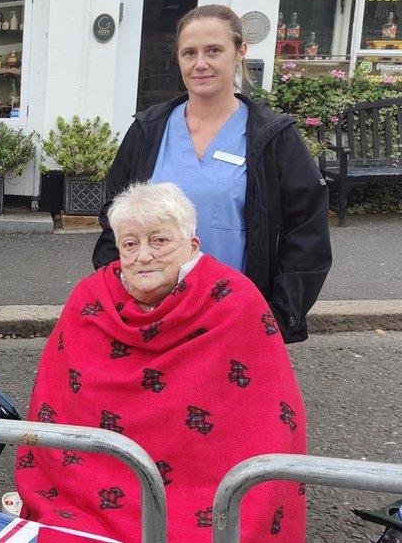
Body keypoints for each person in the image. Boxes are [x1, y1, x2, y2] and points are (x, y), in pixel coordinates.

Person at [16, 182, 306, 542]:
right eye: (130, 244)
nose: (143, 256)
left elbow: (268, 421)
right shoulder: (89, 301)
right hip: (93, 491)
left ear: (193, 245)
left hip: (208, 495)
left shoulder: (235, 301)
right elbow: (54, 407)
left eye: (159, 241)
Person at [92, 4, 331, 344]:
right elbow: (113, 223)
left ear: (240, 52)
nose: (200, 63)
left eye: (214, 50)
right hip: (156, 316)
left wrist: (275, 314)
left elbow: (307, 233)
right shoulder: (149, 131)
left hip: (236, 316)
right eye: (189, 52)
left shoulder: (272, 136)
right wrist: (121, 295)